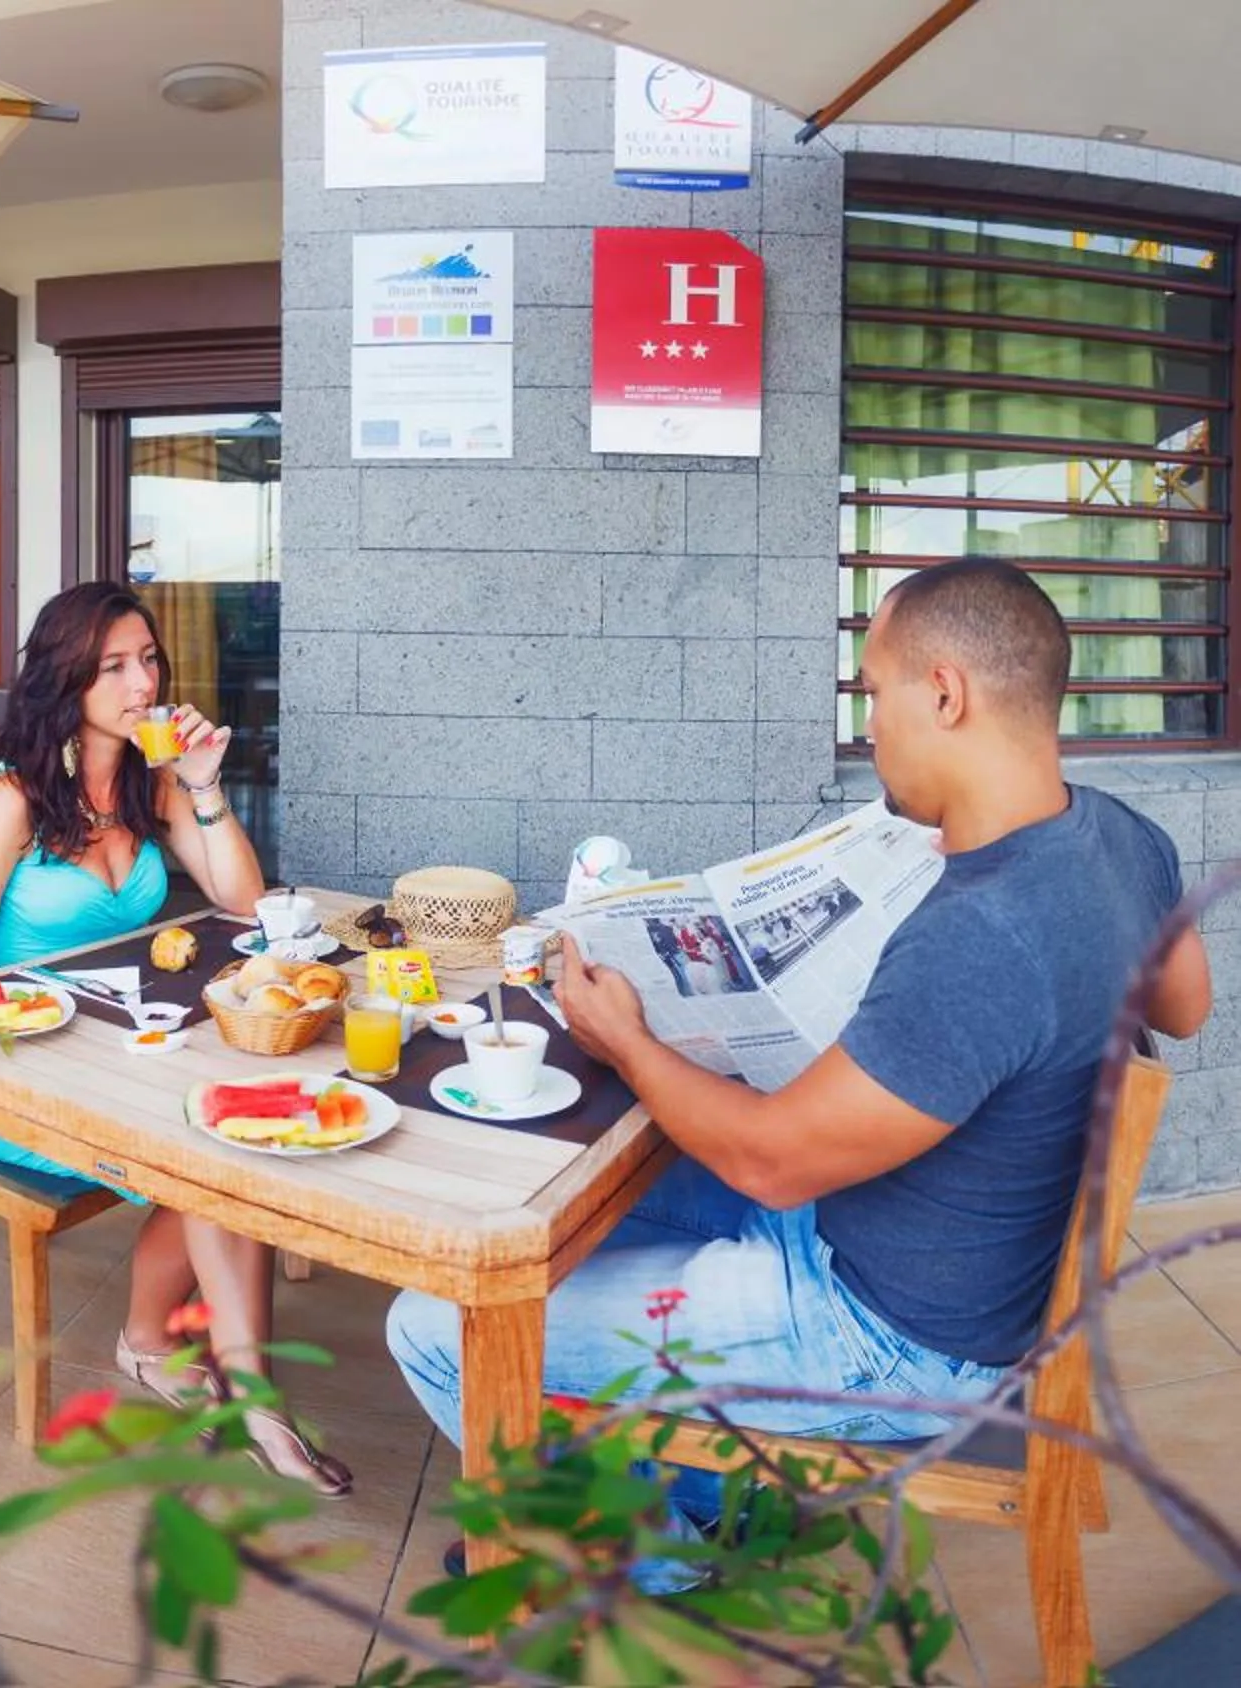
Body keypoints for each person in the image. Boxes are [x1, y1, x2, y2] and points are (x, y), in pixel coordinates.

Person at [386, 559, 1210, 1586]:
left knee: (433, 1324)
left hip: (889, 1333)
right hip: (914, 1239)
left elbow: (774, 1165)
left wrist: (629, 1039)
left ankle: (649, 1553)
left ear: (945, 692)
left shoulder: (985, 932)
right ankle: (701, 1492)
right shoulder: (1118, 836)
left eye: (874, 694)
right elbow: (1185, 1004)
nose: (871, 731)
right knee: (557, 1217)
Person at [0, 582, 350, 1496]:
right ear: (66, 679)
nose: (140, 680)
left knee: (232, 1137)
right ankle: (229, 1383)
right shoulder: (10, 803)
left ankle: (169, 1351)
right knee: (206, 1150)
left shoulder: (148, 783)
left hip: (115, 1055)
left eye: (148, 659)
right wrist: (41, 1026)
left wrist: (202, 787)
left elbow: (247, 903)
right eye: (114, 664)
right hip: (0, 1075)